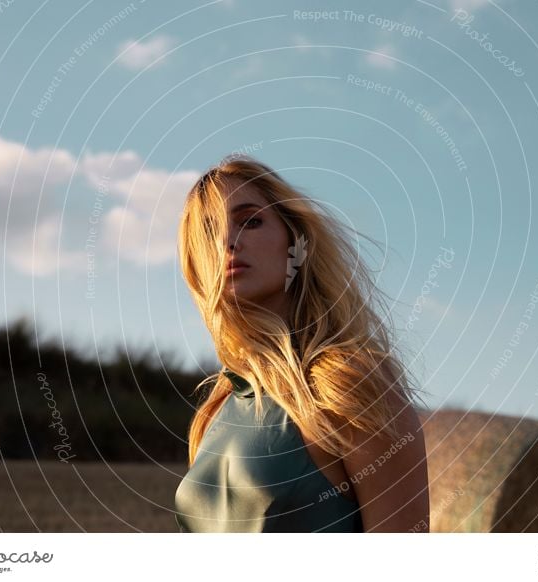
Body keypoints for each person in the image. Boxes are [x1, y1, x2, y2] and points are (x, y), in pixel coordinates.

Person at [173, 155, 430, 532]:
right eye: (208, 232)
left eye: (251, 221)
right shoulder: (215, 410)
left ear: (295, 241)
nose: (228, 241)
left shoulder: (349, 382)